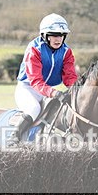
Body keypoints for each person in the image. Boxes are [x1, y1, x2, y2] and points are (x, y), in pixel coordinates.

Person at [9, 13, 77, 145]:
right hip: (28, 88)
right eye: (54, 35)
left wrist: (76, 91)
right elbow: (35, 81)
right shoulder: (34, 49)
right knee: (34, 109)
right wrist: (54, 93)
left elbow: (70, 77)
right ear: (45, 35)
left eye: (61, 35)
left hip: (49, 90)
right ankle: (13, 139)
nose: (58, 39)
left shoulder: (66, 52)